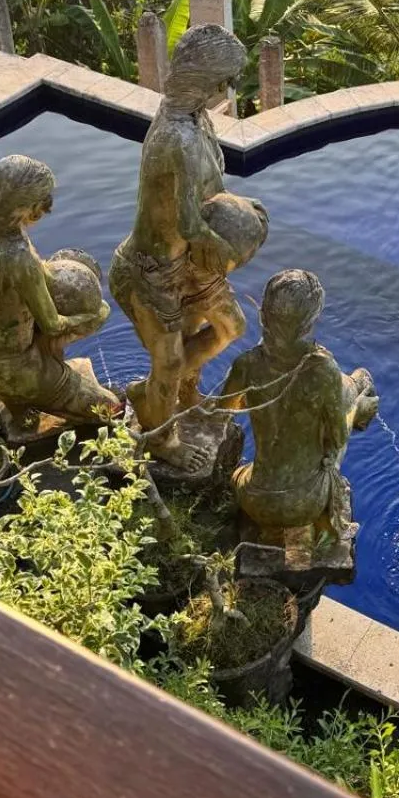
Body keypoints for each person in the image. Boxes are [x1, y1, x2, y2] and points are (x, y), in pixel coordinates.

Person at [110, 24, 258, 472]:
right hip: (150, 270)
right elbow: (191, 221)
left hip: (190, 264)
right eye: (224, 79)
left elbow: (213, 193)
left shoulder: (198, 119)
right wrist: (238, 245)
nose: (228, 89)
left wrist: (240, 219)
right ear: (202, 78)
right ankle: (161, 436)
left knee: (231, 327)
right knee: (170, 359)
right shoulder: (175, 136)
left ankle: (159, 392)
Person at [220, 269, 377, 550]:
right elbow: (338, 438)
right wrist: (352, 410)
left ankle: (269, 534)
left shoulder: (246, 364)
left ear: (264, 314)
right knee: (333, 450)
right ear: (310, 322)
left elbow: (223, 411)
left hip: (254, 498)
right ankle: (307, 541)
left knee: (244, 473)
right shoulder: (322, 370)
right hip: (305, 505)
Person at [0, 155, 120, 438]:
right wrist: (95, 314)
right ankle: (27, 396)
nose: (46, 207)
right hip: (18, 370)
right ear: (26, 206)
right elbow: (52, 325)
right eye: (42, 200)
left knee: (36, 338)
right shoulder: (19, 258)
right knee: (111, 407)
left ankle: (18, 410)